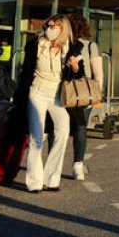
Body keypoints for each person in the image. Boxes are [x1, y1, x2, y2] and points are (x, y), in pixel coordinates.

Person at [15, 15, 79, 193]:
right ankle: (34, 181)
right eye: (47, 25)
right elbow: (26, 70)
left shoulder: (70, 48)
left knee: (63, 132)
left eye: (53, 26)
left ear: (62, 28)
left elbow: (73, 77)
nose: (49, 29)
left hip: (58, 95)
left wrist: (74, 68)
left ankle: (52, 178)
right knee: (37, 136)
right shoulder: (36, 44)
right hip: (37, 92)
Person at [65, 13, 103, 182]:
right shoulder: (91, 46)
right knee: (80, 127)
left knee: (58, 128)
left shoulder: (63, 44)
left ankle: (54, 165)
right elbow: (98, 73)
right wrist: (97, 94)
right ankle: (77, 166)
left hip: (64, 89)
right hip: (83, 92)